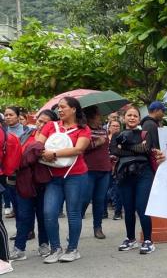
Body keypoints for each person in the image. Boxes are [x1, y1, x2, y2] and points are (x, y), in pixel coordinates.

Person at [34, 97, 91, 263]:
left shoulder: (83, 128)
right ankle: (55, 248)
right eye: (58, 107)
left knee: (73, 213)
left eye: (63, 107)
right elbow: (38, 145)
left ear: (73, 109)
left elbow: (79, 149)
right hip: (53, 177)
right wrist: (44, 153)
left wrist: (54, 154)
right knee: (49, 212)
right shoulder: (51, 125)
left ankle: (72, 249)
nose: (59, 110)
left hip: (76, 176)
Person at [9, 110, 55, 260]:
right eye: (39, 120)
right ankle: (19, 248)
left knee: (43, 215)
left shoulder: (54, 139)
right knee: (23, 215)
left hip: (44, 182)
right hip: (24, 181)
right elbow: (19, 155)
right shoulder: (27, 134)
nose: (40, 124)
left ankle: (44, 244)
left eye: (45, 122)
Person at [110, 106, 156, 254]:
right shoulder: (117, 134)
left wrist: (125, 146)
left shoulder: (145, 133)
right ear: (124, 118)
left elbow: (146, 149)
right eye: (129, 115)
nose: (131, 118)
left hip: (144, 174)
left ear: (139, 118)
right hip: (124, 174)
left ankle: (148, 241)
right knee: (128, 208)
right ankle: (130, 239)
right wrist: (136, 147)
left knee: (142, 207)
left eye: (135, 116)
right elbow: (114, 150)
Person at [81, 106, 112, 239]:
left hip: (104, 169)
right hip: (88, 170)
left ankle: (97, 227)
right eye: (99, 115)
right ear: (91, 117)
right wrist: (96, 143)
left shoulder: (103, 131)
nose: (101, 117)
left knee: (100, 200)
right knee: (85, 199)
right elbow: (81, 148)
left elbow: (106, 148)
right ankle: (76, 224)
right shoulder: (84, 131)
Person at [106, 119, 123, 220]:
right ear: (109, 127)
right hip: (105, 167)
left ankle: (118, 212)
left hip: (118, 167)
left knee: (117, 190)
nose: (116, 128)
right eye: (113, 126)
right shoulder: (105, 138)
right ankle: (103, 212)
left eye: (117, 126)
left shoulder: (122, 138)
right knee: (104, 190)